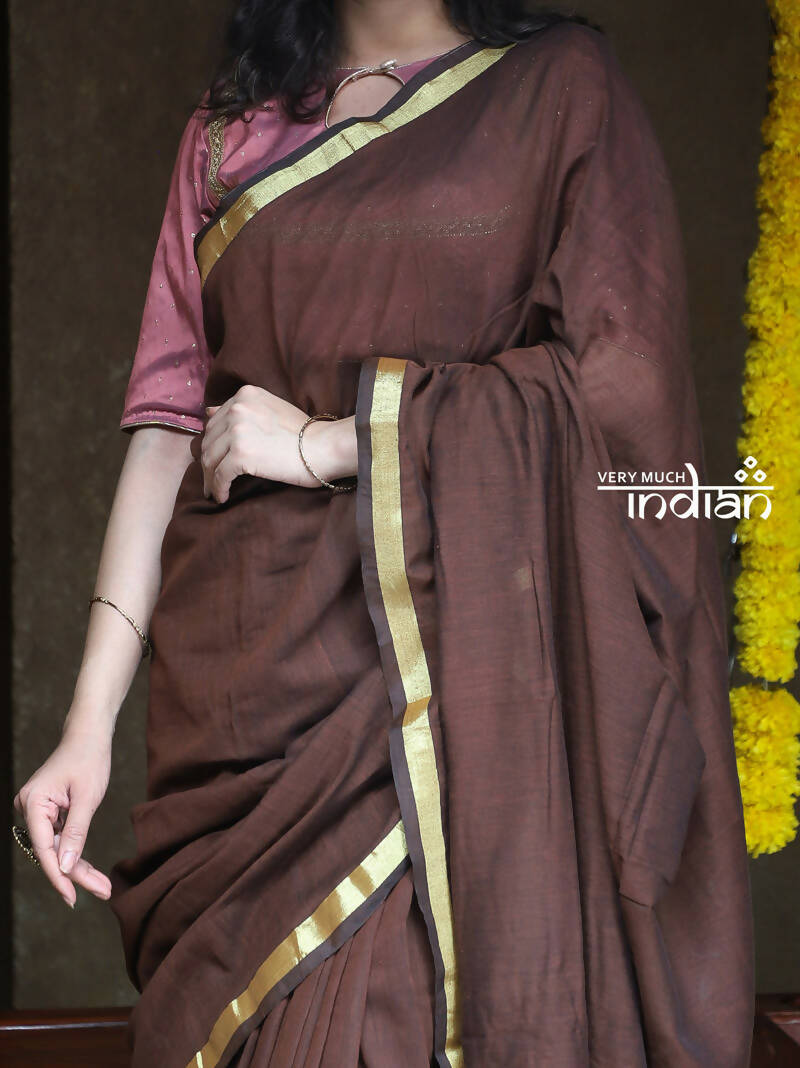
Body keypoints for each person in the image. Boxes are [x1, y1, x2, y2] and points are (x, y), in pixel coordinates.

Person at [12, 0, 756, 1064]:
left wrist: (338, 440)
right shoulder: (229, 132)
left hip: (476, 699)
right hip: (250, 703)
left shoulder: (557, 89)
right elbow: (168, 430)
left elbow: (621, 391)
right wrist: (87, 725)